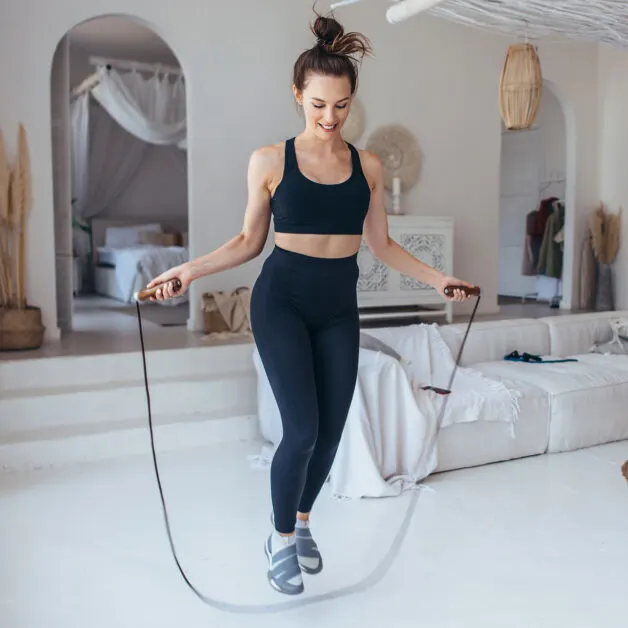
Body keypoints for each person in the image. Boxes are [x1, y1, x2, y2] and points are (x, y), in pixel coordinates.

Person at [147, 11, 476, 596]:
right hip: (282, 301)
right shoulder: (271, 161)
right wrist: (188, 272)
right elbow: (249, 242)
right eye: (319, 104)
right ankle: (277, 538)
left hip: (337, 308)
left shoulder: (367, 167)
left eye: (342, 105)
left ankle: (301, 524)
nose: (330, 117)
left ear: (353, 101)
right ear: (298, 95)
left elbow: (381, 246)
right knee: (299, 430)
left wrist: (438, 279)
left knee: (329, 434)